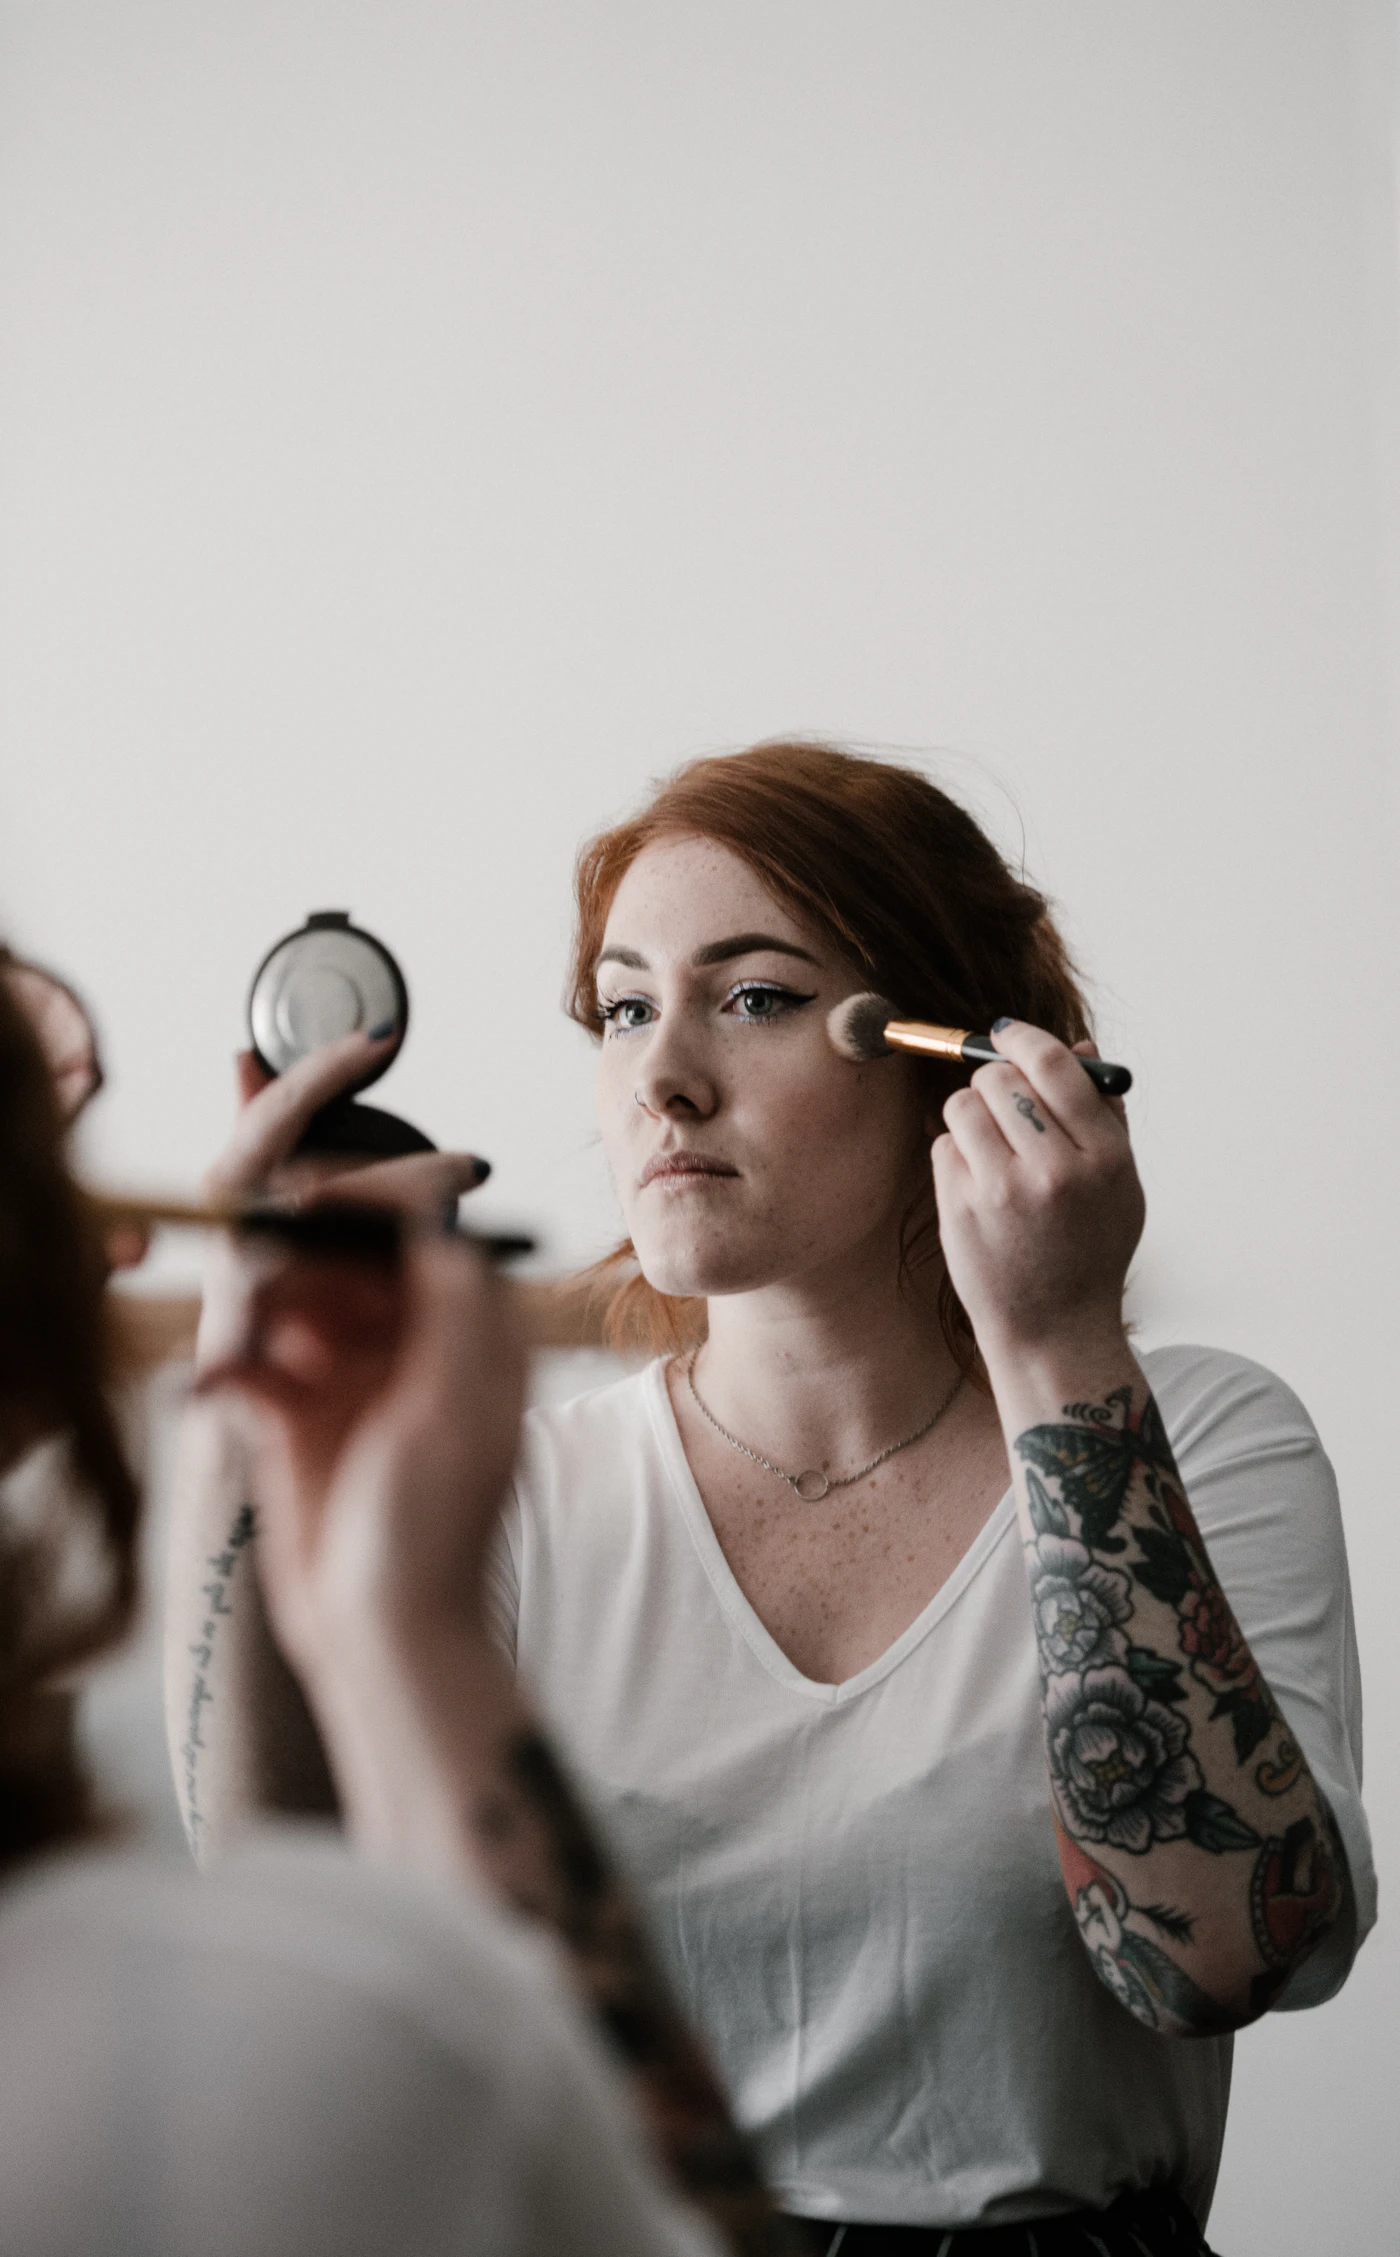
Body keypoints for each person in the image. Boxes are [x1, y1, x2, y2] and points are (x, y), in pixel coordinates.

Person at [168, 742, 1374, 2255]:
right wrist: (238, 1420)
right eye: (622, 1008)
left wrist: (1063, 1344)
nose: (661, 1075)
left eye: (755, 998)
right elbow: (284, 1911)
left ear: (967, 1052)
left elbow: (1211, 1964)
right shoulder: (517, 1493)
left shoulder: (1195, 1436)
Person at [0, 948, 789, 2257]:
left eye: (756, 995)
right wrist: (399, 1629)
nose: (133, 1240)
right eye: (57, 1169)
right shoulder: (305, 2038)